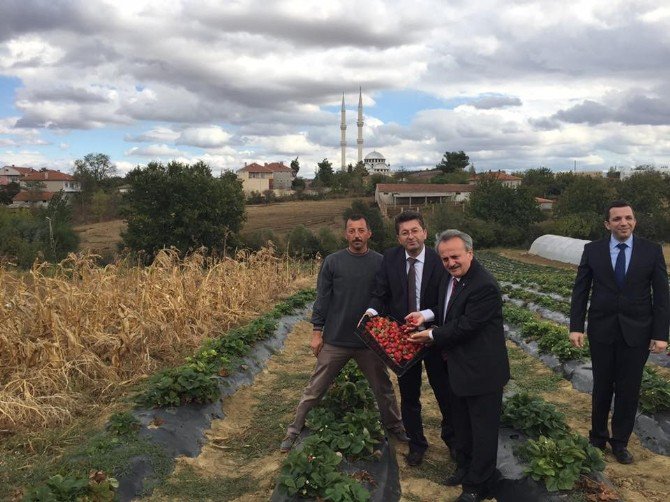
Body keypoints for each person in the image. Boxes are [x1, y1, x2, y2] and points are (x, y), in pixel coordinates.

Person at [279, 214, 408, 453]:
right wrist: (317, 332)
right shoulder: (333, 262)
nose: (356, 235)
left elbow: (387, 299)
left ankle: (395, 426)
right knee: (315, 388)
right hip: (336, 339)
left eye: (361, 230)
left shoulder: (381, 262)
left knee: (383, 387)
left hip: (369, 342)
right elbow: (322, 299)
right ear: (345, 234)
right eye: (351, 231)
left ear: (369, 233)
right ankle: (294, 429)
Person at [408, 229, 509, 502]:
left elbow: (466, 326)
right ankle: (465, 468)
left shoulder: (483, 285)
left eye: (455, 256)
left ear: (470, 253)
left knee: (483, 431)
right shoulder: (450, 279)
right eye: (445, 258)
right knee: (462, 425)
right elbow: (445, 311)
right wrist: (424, 315)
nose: (451, 262)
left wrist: (431, 335)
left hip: (482, 370)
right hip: (458, 367)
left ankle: (478, 484)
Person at [569, 200, 669, 464]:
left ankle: (620, 442)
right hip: (602, 330)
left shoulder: (651, 251)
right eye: (617, 219)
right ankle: (598, 438)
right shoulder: (593, 250)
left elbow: (661, 296)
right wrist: (576, 327)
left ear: (634, 221)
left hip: (637, 332)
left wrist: (661, 334)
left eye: (628, 218)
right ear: (607, 224)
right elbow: (581, 290)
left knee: (629, 389)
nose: (623, 223)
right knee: (602, 385)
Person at [366, 210, 452, 466]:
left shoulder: (440, 261)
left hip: (434, 336)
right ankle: (416, 444)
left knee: (444, 392)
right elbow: (380, 292)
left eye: (415, 231)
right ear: (398, 238)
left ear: (425, 232)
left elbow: (448, 303)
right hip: (404, 339)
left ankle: (454, 441)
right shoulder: (390, 258)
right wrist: (371, 311)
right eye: (405, 233)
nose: (410, 236)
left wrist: (425, 317)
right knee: (409, 394)